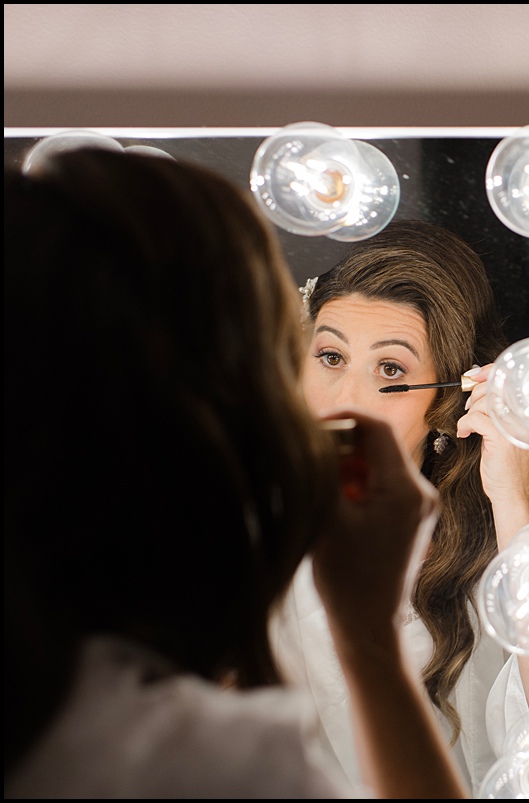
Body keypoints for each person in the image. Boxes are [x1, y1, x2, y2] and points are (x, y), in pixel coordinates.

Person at [3, 149, 467, 798]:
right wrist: (367, 641)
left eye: (389, 370)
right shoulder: (189, 757)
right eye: (317, 356)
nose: (343, 399)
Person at [273, 220, 529, 794]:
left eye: (390, 370)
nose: (345, 399)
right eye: (330, 356)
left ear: (449, 397)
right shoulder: (249, 497)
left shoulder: (504, 496)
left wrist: (513, 500)